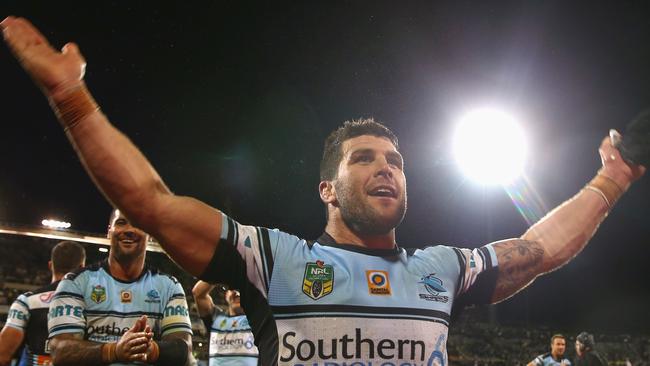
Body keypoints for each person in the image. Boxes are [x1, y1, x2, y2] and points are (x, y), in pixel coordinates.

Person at [1, 16, 646, 365]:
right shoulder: (272, 259)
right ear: (327, 189)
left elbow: (539, 250)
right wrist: (72, 99)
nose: (386, 167)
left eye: (395, 160)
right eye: (363, 159)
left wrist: (611, 178)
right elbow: (150, 203)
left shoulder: (440, 270)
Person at [46, 209, 194, 365]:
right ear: (109, 231)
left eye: (137, 224)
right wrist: (114, 351)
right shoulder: (75, 283)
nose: (129, 230)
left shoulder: (170, 287)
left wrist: (151, 349)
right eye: (121, 223)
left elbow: (184, 350)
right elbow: (60, 351)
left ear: (149, 234)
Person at [0, 241, 86, 366]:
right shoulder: (93, 304)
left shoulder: (27, 301)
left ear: (50, 265)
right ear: (82, 267)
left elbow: (3, 355)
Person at [192, 281, 259, 365]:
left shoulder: (259, 321)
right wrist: (221, 271)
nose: (237, 293)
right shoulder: (216, 318)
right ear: (226, 295)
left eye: (242, 291)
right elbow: (198, 293)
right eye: (233, 290)